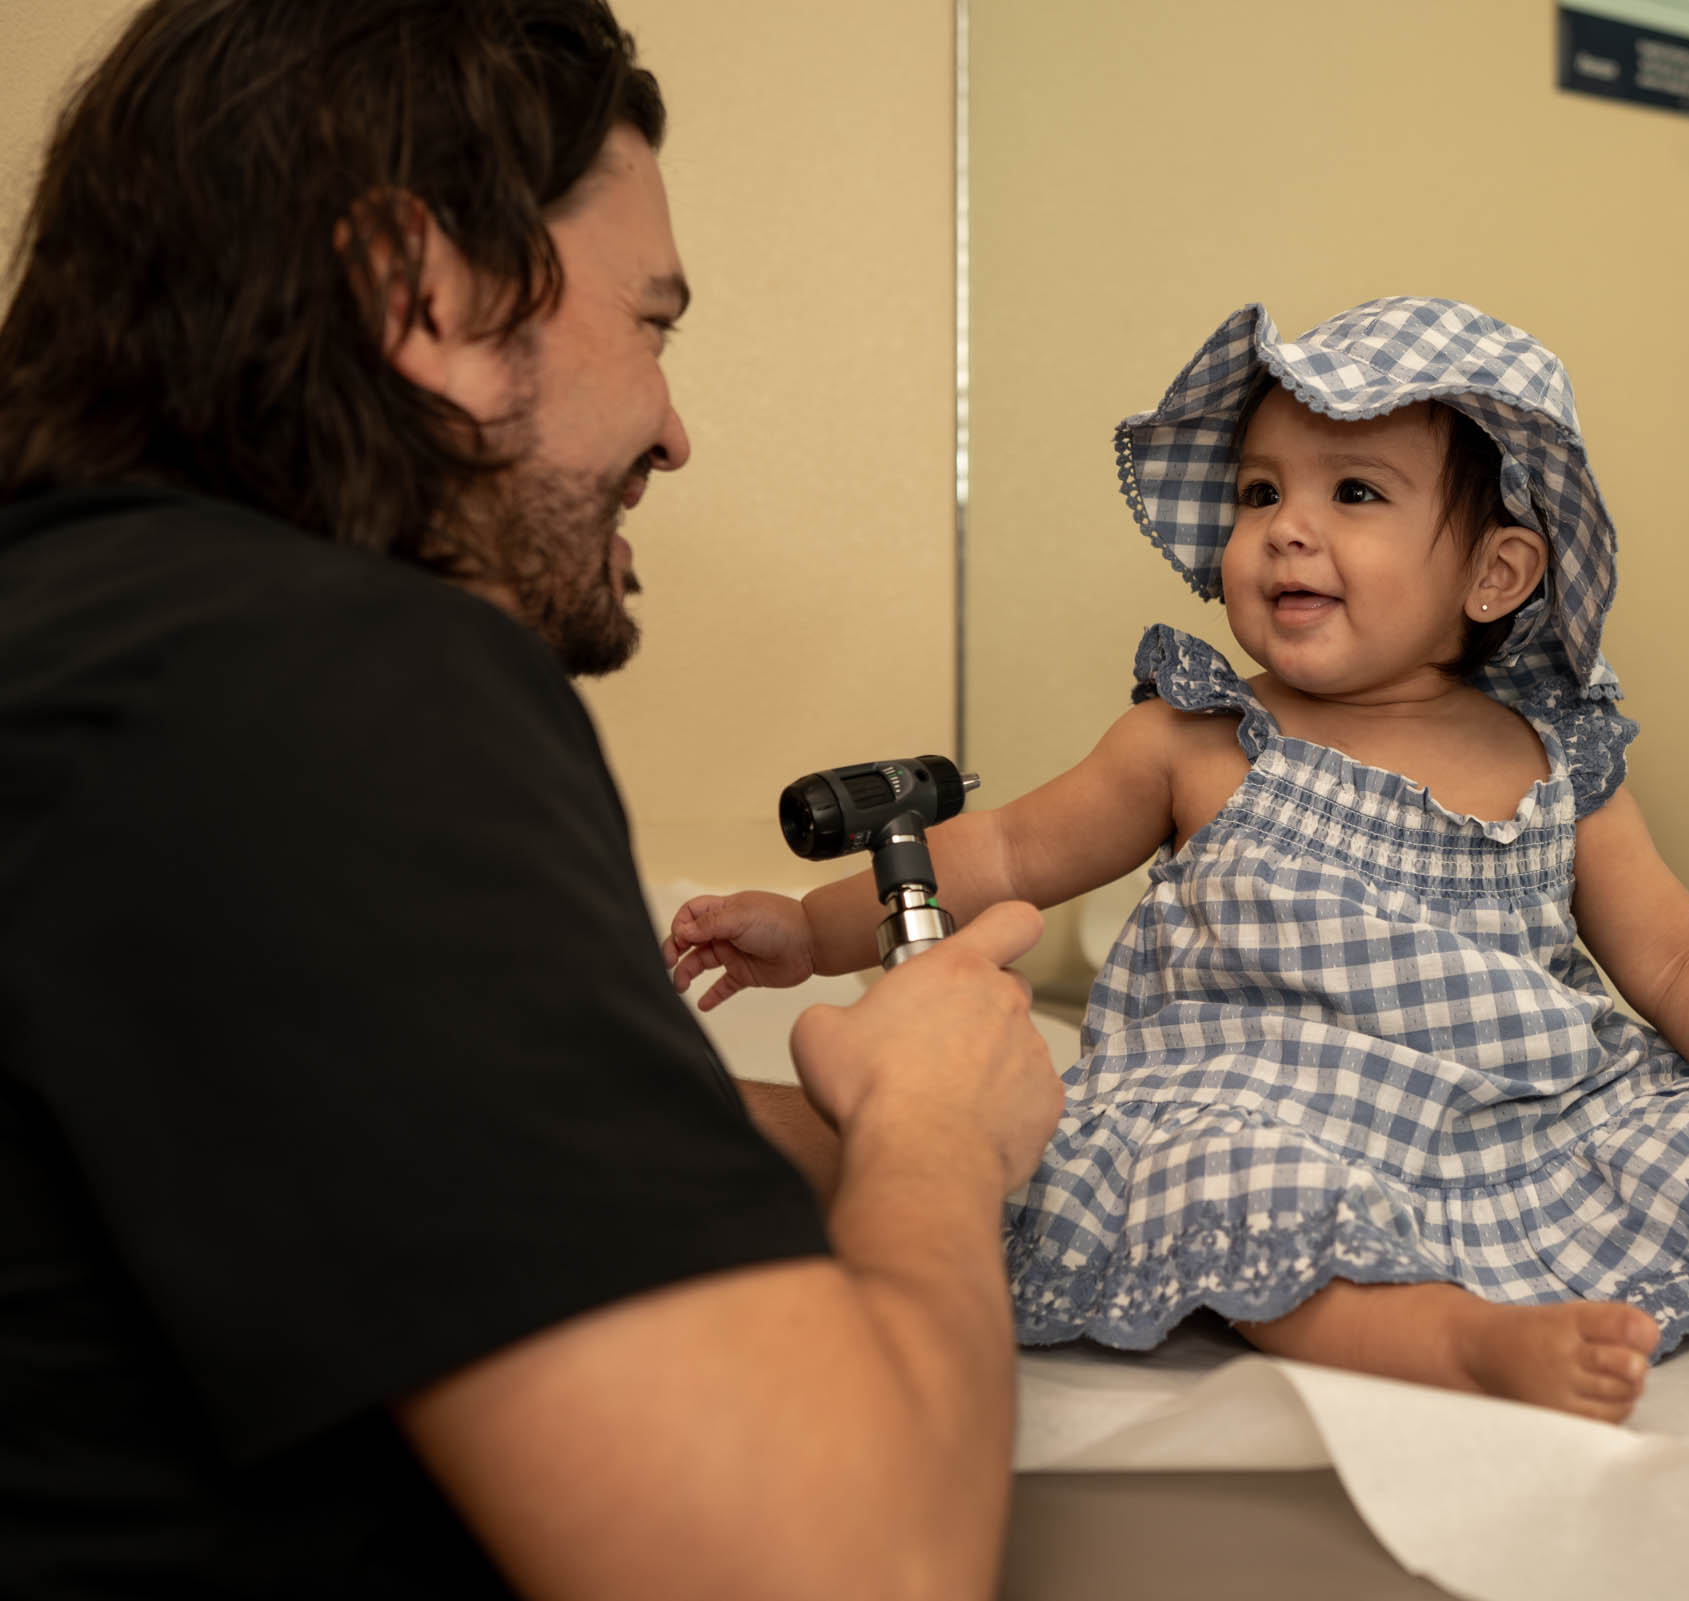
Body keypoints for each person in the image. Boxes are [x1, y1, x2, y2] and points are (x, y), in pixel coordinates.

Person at [668, 298, 1689, 1426]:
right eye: (1261, 492)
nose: (1285, 534)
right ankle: (1464, 1345)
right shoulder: (1197, 738)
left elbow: (1680, 955)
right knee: (1247, 1196)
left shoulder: (1553, 754)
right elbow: (995, 852)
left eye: (1354, 495)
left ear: (1494, 572)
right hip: (1265, 1096)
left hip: (1522, 1110)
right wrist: (810, 931)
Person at [0, 2, 1060, 1596]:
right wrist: (933, 1134)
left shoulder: (108, 653)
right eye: (652, 325)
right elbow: (851, 1567)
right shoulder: (328, 675)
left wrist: (852, 1129)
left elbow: (407, 1144)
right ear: (417, 292)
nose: (674, 431)